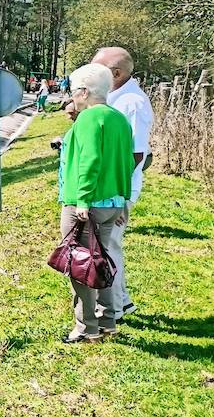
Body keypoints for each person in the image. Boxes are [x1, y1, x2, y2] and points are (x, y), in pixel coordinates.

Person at [58, 63, 134, 343]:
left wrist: (83, 200)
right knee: (102, 262)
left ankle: (85, 327)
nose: (72, 97)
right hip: (112, 203)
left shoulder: (88, 118)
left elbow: (89, 161)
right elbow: (127, 162)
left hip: (86, 205)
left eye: (72, 91)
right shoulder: (118, 118)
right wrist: (123, 199)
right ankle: (108, 319)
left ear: (84, 91)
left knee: (80, 265)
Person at [92, 46, 151, 319]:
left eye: (98, 68)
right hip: (109, 186)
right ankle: (122, 301)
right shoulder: (114, 97)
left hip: (117, 188)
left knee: (108, 246)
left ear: (116, 73)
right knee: (107, 245)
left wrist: (117, 194)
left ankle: (113, 309)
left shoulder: (132, 103)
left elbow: (136, 154)